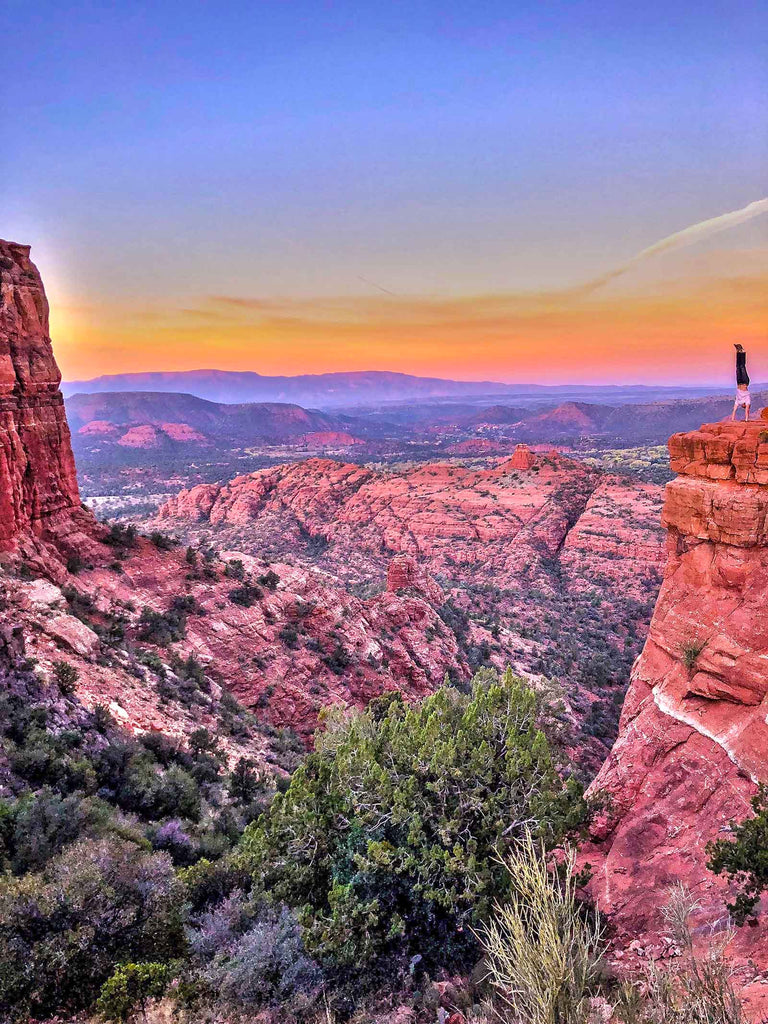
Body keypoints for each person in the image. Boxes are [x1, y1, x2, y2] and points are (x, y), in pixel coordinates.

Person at [732, 344, 751, 421]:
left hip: (739, 382)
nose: (743, 406)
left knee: (737, 366)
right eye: (744, 406)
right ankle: (742, 352)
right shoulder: (747, 400)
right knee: (742, 366)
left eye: (743, 406)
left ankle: (738, 351)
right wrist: (746, 419)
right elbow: (747, 411)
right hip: (745, 381)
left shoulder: (738, 401)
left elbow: (734, 410)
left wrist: (733, 419)